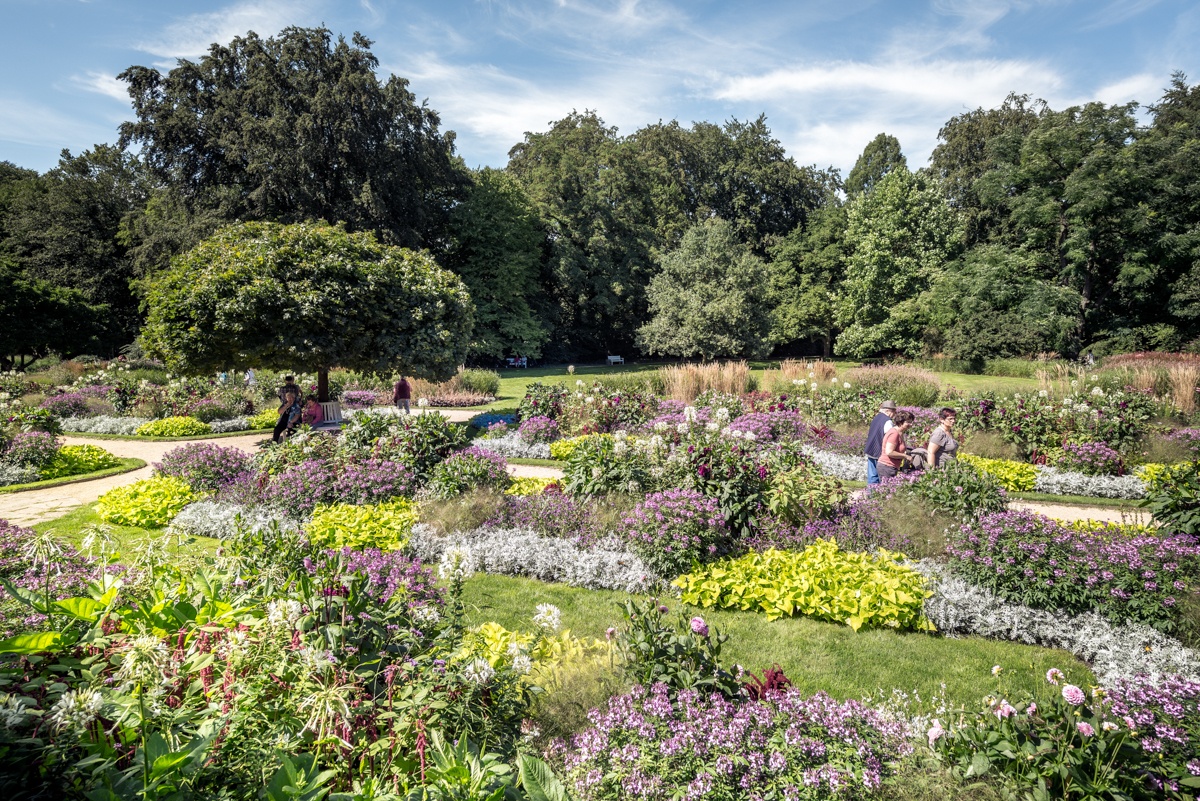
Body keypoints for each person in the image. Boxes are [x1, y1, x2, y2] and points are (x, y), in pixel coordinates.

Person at [863, 400, 897, 485]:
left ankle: (870, 496)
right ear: (887, 411)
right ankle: (879, 496)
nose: (894, 414)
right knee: (882, 478)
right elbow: (890, 437)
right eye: (893, 411)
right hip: (879, 452)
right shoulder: (888, 421)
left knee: (872, 477)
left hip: (871, 449)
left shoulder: (877, 417)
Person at [877, 410, 914, 480]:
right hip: (887, 466)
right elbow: (889, 452)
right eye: (908, 422)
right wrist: (905, 456)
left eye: (911, 422)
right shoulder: (894, 434)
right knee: (887, 489)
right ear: (900, 422)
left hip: (891, 466)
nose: (911, 424)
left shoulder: (900, 433)